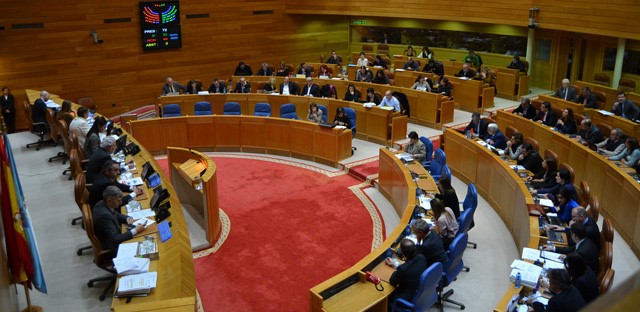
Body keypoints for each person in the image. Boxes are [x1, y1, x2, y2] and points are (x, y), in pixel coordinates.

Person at [93, 186, 145, 257]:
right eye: (118, 201)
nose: (121, 203)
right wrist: (135, 230)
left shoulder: (102, 203)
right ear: (109, 200)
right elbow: (115, 239)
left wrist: (126, 218)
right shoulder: (105, 215)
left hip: (113, 235)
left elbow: (115, 214)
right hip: (113, 245)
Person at [385, 239, 427, 308]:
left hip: (407, 296)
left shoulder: (403, 269)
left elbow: (392, 282)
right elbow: (410, 266)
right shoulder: (421, 257)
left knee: (387, 299)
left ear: (402, 252)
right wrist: (395, 265)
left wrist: (398, 269)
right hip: (419, 292)